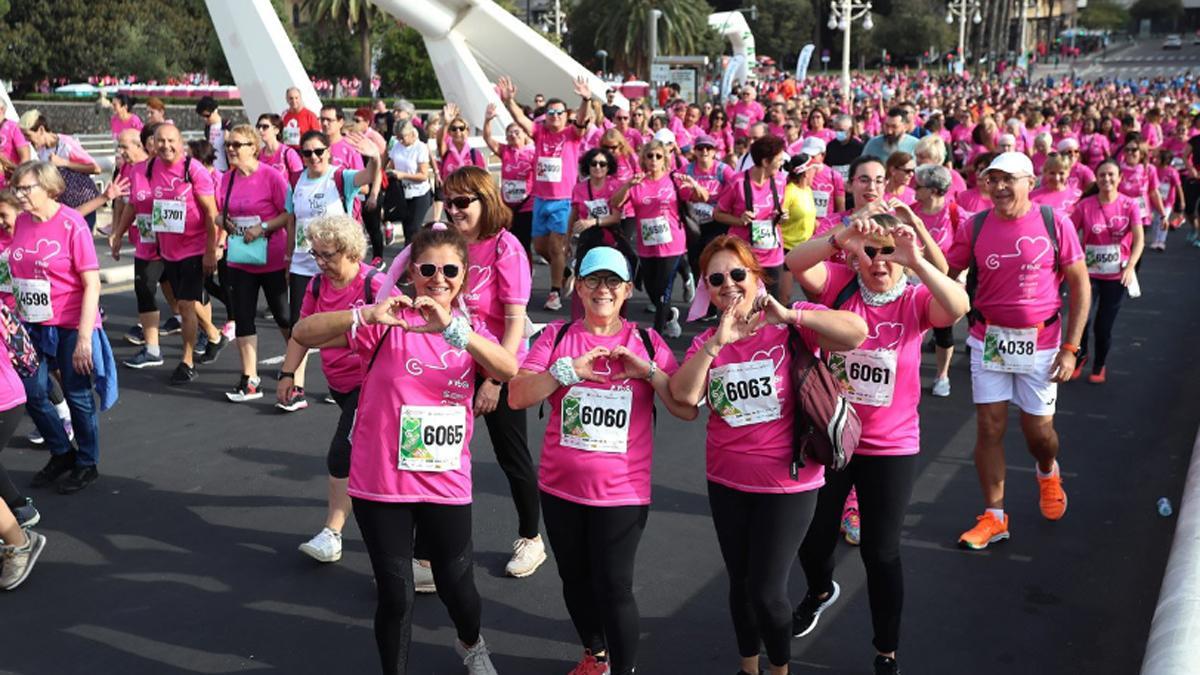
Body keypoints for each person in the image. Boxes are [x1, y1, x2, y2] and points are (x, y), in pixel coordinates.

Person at [292, 225, 516, 675]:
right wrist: (366, 316)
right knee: (396, 595)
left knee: (458, 587)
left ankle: (471, 643)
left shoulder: (466, 332)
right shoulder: (385, 324)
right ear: (412, 272)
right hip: (382, 484)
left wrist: (455, 330)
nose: (438, 278)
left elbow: (508, 368)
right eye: (428, 268)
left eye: (449, 270)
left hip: (445, 483)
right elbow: (304, 331)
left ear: (463, 275)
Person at [669, 235, 867, 675]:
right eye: (716, 279)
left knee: (767, 590)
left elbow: (857, 333)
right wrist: (716, 343)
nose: (728, 285)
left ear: (757, 276)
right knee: (740, 585)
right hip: (726, 479)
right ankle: (748, 667)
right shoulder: (710, 339)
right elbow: (683, 400)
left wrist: (791, 312)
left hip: (788, 482)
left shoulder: (792, 323)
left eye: (738, 274)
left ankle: (779, 669)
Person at [787, 213, 968, 675]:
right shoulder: (840, 284)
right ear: (855, 255)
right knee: (814, 533)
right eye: (870, 251)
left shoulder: (914, 299)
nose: (879, 261)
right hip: (834, 437)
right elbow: (795, 262)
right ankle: (820, 590)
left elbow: (959, 305)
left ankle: (886, 650)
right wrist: (842, 238)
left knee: (880, 552)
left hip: (891, 446)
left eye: (888, 252)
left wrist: (918, 261)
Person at [508, 246, 697, 675]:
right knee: (574, 580)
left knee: (614, 587)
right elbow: (517, 395)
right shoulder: (556, 337)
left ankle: (623, 668)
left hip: (621, 493)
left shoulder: (646, 341)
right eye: (593, 280)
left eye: (613, 281)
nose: (602, 290)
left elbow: (685, 408)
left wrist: (648, 371)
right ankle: (595, 656)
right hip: (560, 488)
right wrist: (565, 372)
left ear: (628, 289)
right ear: (577, 284)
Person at [943, 152, 1089, 550]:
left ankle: (1047, 471)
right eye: (993, 180)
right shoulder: (975, 226)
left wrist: (1071, 348)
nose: (1000, 187)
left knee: (1038, 434)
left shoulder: (1053, 222)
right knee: (989, 427)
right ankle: (994, 516)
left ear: (1029, 182)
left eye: (1009, 179)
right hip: (987, 338)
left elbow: (1079, 285)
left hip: (1042, 343)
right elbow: (945, 270)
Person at [437, 166, 547, 578]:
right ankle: (433, 550)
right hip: (452, 365)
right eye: (448, 201)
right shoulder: (449, 244)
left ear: (487, 201)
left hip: (498, 367)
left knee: (511, 454)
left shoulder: (506, 247)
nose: (454, 210)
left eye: (463, 202)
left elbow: (516, 322)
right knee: (439, 453)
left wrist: (495, 380)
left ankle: (531, 538)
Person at [281, 214, 387, 562]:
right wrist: (287, 374)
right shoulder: (316, 286)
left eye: (328, 255)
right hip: (339, 385)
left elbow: (396, 335)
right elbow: (302, 332)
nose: (321, 262)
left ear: (351, 252)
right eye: (316, 255)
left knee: (342, 452)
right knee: (371, 459)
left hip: (372, 385)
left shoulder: (377, 286)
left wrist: (334, 336)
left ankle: (333, 533)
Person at [10, 161, 118, 495]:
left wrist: (85, 337)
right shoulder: (22, 223)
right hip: (32, 323)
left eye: (26, 188)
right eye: (17, 189)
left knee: (77, 394)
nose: (20, 195)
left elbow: (92, 284)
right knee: (31, 391)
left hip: (72, 323)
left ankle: (87, 462)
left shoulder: (71, 224)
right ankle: (61, 452)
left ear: (50, 188)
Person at [283, 130, 380, 412]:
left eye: (318, 152)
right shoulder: (295, 181)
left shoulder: (340, 177)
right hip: (305, 263)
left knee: (347, 322)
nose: (313, 157)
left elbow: (367, 176)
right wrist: (289, 256)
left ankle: (352, 380)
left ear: (328, 152)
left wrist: (373, 158)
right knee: (299, 325)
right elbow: (293, 220)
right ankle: (297, 386)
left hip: (342, 267)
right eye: (307, 153)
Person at [498, 75, 593, 311]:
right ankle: (566, 271)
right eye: (551, 112)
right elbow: (520, 119)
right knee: (540, 248)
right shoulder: (540, 133)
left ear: (566, 115)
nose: (555, 116)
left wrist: (586, 99)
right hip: (541, 200)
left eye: (560, 112)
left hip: (562, 200)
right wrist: (510, 101)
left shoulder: (572, 134)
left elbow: (582, 119)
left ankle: (554, 293)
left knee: (556, 246)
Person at [215, 124, 293, 401]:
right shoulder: (226, 179)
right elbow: (219, 212)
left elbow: (289, 214)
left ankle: (293, 367)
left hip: (271, 258)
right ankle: (250, 380)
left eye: (237, 144)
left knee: (284, 316)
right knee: (244, 317)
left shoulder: (271, 176)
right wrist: (223, 223)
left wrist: (263, 227)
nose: (231, 149)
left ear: (253, 147)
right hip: (240, 260)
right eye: (229, 145)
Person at [611, 141, 708, 338]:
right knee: (651, 289)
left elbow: (703, 197)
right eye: (650, 156)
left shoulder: (674, 180)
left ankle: (657, 334)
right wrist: (627, 185)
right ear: (644, 159)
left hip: (672, 244)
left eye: (658, 156)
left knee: (664, 289)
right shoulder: (637, 182)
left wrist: (695, 185)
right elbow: (615, 203)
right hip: (647, 245)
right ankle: (670, 314)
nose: (653, 160)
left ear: (665, 159)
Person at [1070, 160, 1144, 384]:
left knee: (1103, 326)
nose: (1106, 179)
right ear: (1096, 178)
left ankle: (1099, 364)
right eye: (1102, 175)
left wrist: (1130, 266)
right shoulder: (1085, 205)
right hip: (1088, 274)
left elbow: (1139, 239)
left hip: (1116, 275)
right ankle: (1079, 356)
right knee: (1082, 320)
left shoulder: (1130, 204)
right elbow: (1071, 234)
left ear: (1120, 177)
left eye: (1111, 175)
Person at [716, 135, 790, 301]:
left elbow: (778, 212)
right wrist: (739, 220)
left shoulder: (780, 181)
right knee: (744, 302)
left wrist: (782, 217)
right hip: (743, 255)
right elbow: (718, 214)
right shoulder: (738, 182)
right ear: (765, 162)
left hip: (772, 253)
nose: (781, 164)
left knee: (771, 303)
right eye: (778, 160)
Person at [912, 164, 963, 397]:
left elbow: (968, 247)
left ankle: (942, 375)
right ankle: (908, 373)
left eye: (918, 186)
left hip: (944, 281)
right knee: (910, 331)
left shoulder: (954, 214)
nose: (913, 189)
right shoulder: (910, 212)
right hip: (913, 281)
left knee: (943, 332)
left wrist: (962, 274)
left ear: (933, 190)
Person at [20, 115, 102, 229]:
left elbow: (95, 168)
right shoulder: (41, 151)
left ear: (41, 130)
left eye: (29, 136)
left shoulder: (65, 144)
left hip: (83, 202)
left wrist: (64, 163)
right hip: (64, 206)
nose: (28, 141)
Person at [483, 104, 535, 257]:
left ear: (525, 135)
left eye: (517, 132)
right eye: (509, 133)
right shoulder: (505, 151)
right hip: (507, 206)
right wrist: (487, 120)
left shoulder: (533, 152)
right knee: (507, 242)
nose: (513, 135)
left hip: (527, 205)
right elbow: (487, 138)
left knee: (524, 243)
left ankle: (527, 274)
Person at [386, 121, 434, 247]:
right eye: (398, 137)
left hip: (419, 193)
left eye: (403, 137)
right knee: (407, 228)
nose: (400, 140)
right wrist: (388, 172)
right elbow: (390, 164)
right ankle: (409, 256)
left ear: (412, 134)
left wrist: (403, 175)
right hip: (402, 192)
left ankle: (412, 257)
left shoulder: (420, 147)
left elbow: (423, 175)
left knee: (414, 229)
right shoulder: (397, 145)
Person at [0, 100, 32, 189]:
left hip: (10, 182)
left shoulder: (14, 127)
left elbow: (26, 159)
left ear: (1, 110)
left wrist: (16, 179)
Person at [195, 96, 229, 172]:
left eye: (207, 116)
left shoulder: (227, 125)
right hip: (213, 170)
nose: (205, 119)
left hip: (227, 169)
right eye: (202, 116)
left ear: (215, 110)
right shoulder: (207, 128)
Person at [826, 115, 864, 181]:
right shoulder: (830, 146)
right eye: (836, 130)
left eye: (841, 130)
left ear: (850, 129)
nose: (838, 133)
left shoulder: (858, 147)